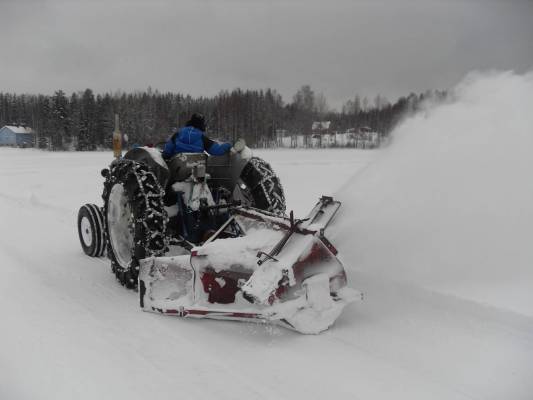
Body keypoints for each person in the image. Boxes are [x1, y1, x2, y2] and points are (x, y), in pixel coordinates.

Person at [162, 113, 232, 159]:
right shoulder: (202, 138)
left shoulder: (177, 134)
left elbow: (167, 152)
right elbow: (217, 151)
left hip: (177, 169)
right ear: (202, 125)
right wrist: (228, 145)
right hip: (197, 171)